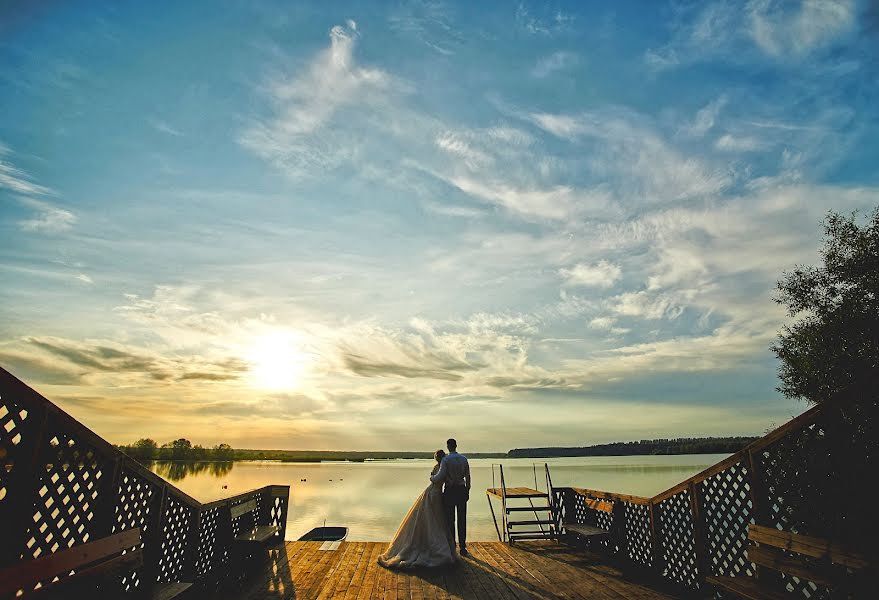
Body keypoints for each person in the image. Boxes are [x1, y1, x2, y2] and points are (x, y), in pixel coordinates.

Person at [377, 449, 456, 569]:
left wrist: (432, 477)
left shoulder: (442, 467)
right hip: (434, 492)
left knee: (435, 519)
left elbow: (434, 479)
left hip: (435, 493)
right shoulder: (440, 467)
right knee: (432, 518)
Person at [431, 438, 470, 557]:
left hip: (450, 491)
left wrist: (432, 478)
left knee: (450, 519)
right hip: (461, 489)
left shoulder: (446, 460)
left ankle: (453, 545)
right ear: (456, 445)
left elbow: (440, 476)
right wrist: (467, 490)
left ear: (448, 447)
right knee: (462, 518)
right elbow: (468, 477)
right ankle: (463, 546)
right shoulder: (464, 459)